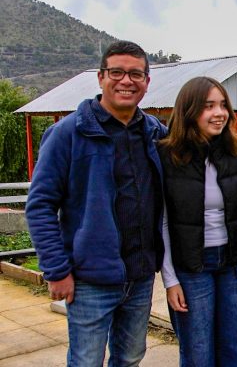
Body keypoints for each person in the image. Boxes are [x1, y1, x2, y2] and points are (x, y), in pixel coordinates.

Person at [25, 41, 167, 366]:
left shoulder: (155, 133)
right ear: (101, 77)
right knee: (86, 361)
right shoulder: (67, 134)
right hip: (90, 279)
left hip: (141, 275)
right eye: (117, 72)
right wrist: (56, 270)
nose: (126, 81)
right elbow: (40, 205)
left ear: (147, 82)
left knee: (130, 358)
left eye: (135, 74)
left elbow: (198, 149)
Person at [158, 76, 237, 366]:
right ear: (189, 111)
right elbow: (162, 222)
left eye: (223, 105)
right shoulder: (167, 157)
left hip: (232, 265)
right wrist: (170, 279)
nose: (219, 113)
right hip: (191, 268)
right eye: (208, 106)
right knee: (198, 352)